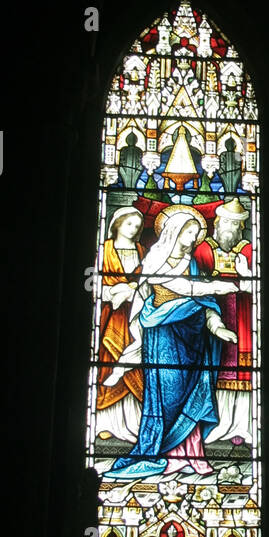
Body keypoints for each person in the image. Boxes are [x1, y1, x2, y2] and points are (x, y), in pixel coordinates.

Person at [101, 207, 237, 480]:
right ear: (174, 231)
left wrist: (217, 326)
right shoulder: (155, 260)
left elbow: (204, 304)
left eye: (196, 233)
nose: (192, 237)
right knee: (167, 394)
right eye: (188, 231)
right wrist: (216, 287)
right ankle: (161, 453)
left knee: (192, 392)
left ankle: (192, 455)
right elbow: (182, 287)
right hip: (161, 336)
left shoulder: (193, 265)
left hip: (193, 338)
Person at [192, 198, 253, 444]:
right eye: (225, 222)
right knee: (217, 367)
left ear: (241, 228)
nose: (229, 228)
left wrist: (247, 275)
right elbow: (194, 280)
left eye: (235, 224)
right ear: (217, 223)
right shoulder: (203, 249)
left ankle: (242, 424)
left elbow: (255, 286)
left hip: (243, 315)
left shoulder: (248, 250)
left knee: (243, 369)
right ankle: (219, 424)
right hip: (214, 312)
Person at [95, 208, 145, 442]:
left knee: (133, 365)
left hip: (134, 315)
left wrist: (132, 290)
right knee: (108, 362)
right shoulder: (104, 250)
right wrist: (112, 292)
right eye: (129, 224)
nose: (133, 229)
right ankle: (105, 421)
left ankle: (132, 423)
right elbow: (92, 283)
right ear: (116, 224)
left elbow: (146, 282)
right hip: (108, 315)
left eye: (137, 226)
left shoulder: (141, 251)